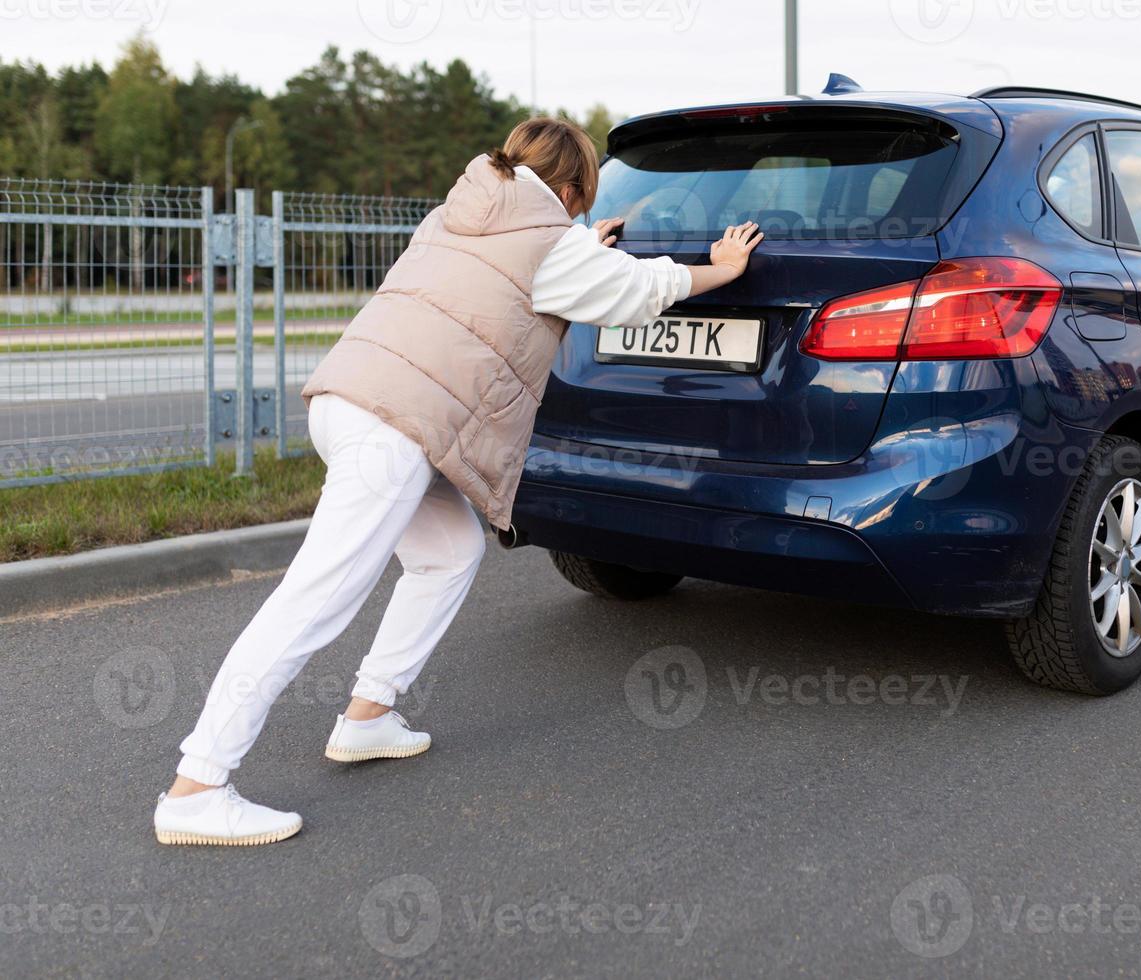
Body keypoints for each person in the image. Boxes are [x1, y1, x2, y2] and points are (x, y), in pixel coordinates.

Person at [153, 117, 764, 846]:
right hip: (397, 429)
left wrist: (580, 249)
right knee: (313, 601)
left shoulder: (460, 212)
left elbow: (521, 275)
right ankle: (198, 785)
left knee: (447, 553)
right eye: (580, 200)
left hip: (354, 399)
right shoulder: (553, 241)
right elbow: (634, 290)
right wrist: (721, 269)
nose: (577, 214)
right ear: (570, 188)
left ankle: (369, 716)